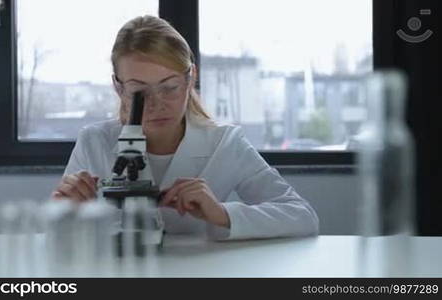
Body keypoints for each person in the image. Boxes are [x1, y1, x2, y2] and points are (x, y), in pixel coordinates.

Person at [52, 15, 319, 240]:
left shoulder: (225, 143)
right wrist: (65, 211)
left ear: (191, 78)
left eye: (169, 87)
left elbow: (302, 216)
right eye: (139, 92)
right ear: (118, 88)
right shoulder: (94, 142)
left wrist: (222, 213)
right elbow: (57, 235)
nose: (156, 104)